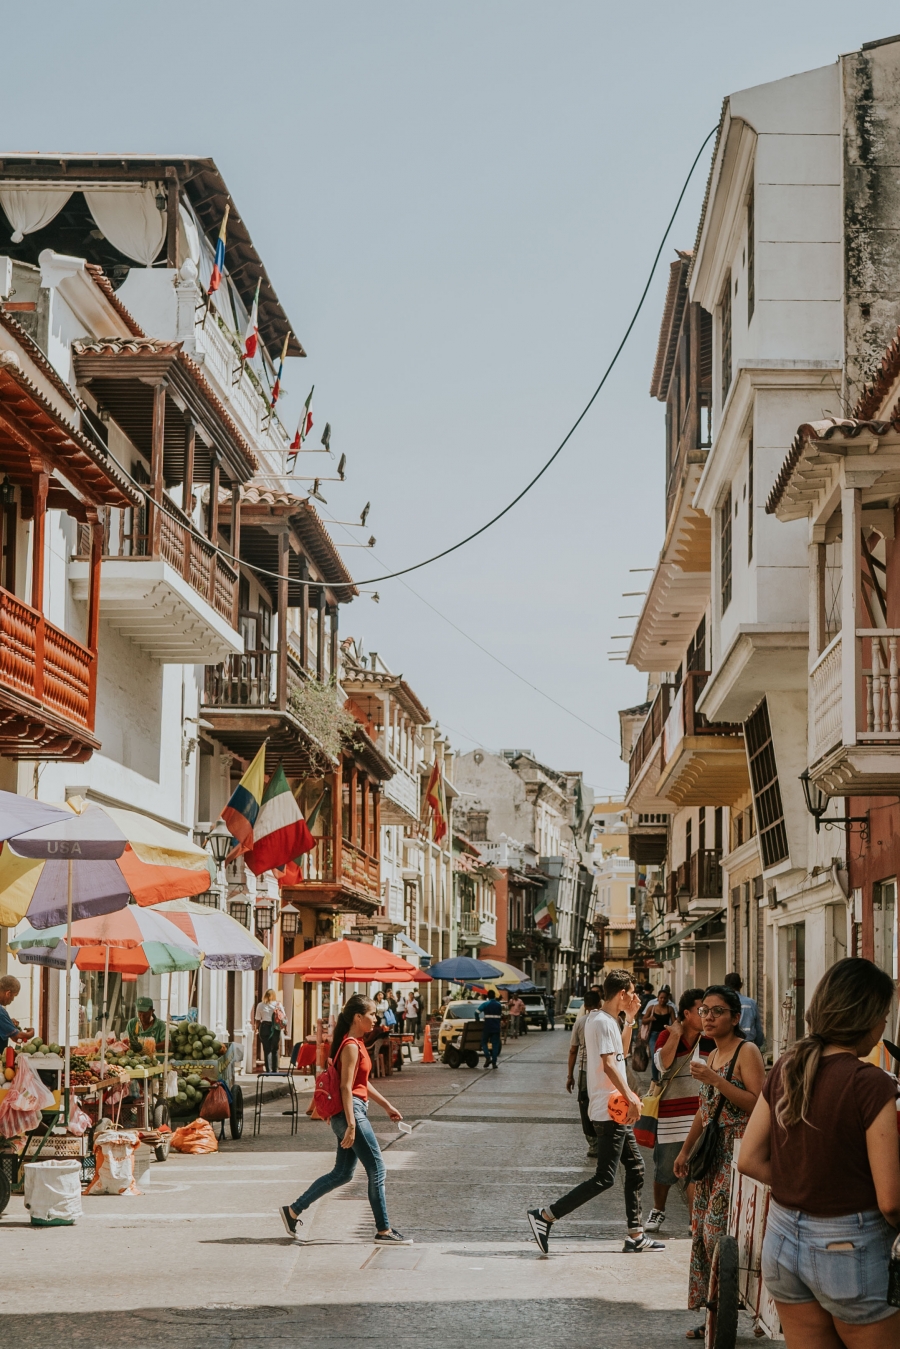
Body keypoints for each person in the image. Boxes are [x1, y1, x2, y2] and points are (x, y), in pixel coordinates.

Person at [739, 957, 900, 1346]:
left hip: (781, 1242)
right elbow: (891, 1202)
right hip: (850, 1249)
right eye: (883, 1016)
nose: (884, 1027)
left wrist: (806, 1185)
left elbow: (748, 1159)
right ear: (866, 1018)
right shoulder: (871, 1084)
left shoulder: (787, 1069)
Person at [527, 969, 665, 1255]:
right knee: (605, 1177)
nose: (636, 997)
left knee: (636, 1168)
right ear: (622, 994)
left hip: (613, 1108)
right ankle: (546, 1215)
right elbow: (608, 1065)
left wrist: (630, 1021)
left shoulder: (608, 1020)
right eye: (632, 992)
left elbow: (621, 1055)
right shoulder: (601, 1021)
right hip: (609, 1109)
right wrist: (632, 1098)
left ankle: (636, 1235)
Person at [279, 994, 410, 1244]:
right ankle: (383, 1230)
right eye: (371, 1014)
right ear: (357, 1017)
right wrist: (351, 1124)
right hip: (351, 1114)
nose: (376, 1018)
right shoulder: (350, 1045)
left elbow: (362, 1083)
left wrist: (387, 1105)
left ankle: (292, 1211)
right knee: (377, 1168)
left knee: (342, 1173)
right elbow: (345, 1088)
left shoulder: (356, 1043)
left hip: (352, 1112)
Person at [673, 984, 765, 1340]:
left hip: (740, 1152)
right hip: (712, 1154)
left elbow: (758, 1104)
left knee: (716, 1233)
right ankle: (714, 1313)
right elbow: (706, 1111)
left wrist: (715, 1080)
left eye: (717, 1012)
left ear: (735, 1018)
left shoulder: (747, 1051)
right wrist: (685, 1151)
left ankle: (739, 1304)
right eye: (704, 1011)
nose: (708, 1017)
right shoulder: (711, 1055)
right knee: (702, 1230)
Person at [644, 988, 711, 1235]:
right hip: (671, 1118)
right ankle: (658, 1209)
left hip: (699, 1117)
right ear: (686, 1013)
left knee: (695, 1173)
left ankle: (694, 1221)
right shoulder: (666, 1035)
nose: (706, 1016)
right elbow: (662, 1065)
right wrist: (674, 1034)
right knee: (665, 1171)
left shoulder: (709, 1039)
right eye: (701, 1011)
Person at [566, 988, 602, 1157]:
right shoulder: (608, 1021)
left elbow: (573, 1051)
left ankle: (594, 1145)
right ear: (600, 1003)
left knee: (585, 1107)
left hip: (585, 1071)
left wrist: (570, 1076)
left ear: (585, 1006)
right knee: (603, 1105)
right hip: (604, 1072)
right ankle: (605, 1142)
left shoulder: (580, 1023)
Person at [642, 986, 675, 1082]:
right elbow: (643, 1020)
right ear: (658, 997)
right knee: (654, 1056)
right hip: (653, 1035)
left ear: (667, 998)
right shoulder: (652, 1008)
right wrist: (650, 1019)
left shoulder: (670, 1009)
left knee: (664, 1056)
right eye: (661, 998)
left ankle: (664, 1077)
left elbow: (673, 1022)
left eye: (665, 998)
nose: (663, 1000)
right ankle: (655, 1079)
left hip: (665, 1035)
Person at [723, 971, 765, 1049]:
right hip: (748, 1046)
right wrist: (759, 1044)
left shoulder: (723, 1003)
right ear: (741, 985)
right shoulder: (751, 1003)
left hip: (729, 1046)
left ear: (725, 987)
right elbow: (758, 1029)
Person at [255, 988, 286, 1072]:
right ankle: (275, 1069)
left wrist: (256, 1028)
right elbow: (283, 1016)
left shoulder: (260, 1005)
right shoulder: (278, 1004)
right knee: (275, 1049)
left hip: (264, 1027)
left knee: (266, 1049)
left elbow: (258, 1019)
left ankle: (268, 1069)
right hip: (275, 1028)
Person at [0, 975, 33, 1045]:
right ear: (8, 993)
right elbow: (17, 1037)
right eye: (14, 996)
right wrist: (31, 1034)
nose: (12, 1000)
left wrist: (8, 1022)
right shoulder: (1, 1013)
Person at [479, 988, 503, 1068]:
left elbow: (477, 1012)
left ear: (488, 996)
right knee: (495, 1045)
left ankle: (488, 1057)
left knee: (483, 1042)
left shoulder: (486, 1004)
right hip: (496, 1027)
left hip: (487, 1027)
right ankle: (494, 1063)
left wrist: (477, 1019)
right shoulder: (498, 1004)